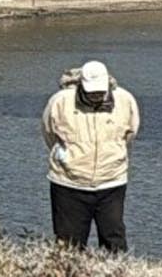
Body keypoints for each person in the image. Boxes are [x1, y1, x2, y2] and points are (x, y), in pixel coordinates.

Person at [43, 59, 140, 252]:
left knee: (115, 240)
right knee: (68, 245)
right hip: (68, 183)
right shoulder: (60, 101)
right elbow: (49, 133)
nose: (96, 95)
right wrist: (70, 157)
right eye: (91, 90)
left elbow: (130, 133)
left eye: (100, 90)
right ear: (81, 84)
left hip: (112, 182)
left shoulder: (125, 100)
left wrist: (113, 154)